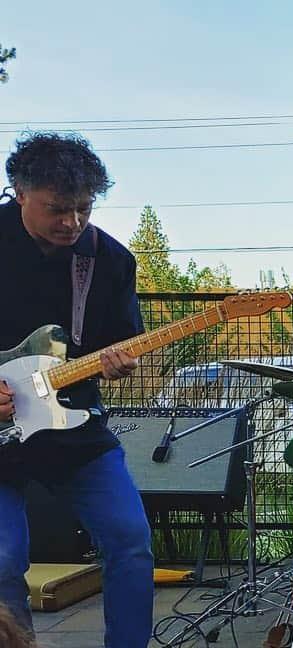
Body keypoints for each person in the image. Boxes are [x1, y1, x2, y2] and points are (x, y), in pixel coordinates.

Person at [0, 132, 153, 647]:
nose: (72, 222)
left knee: (130, 540)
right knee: (3, 557)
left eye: (83, 209)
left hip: (74, 424)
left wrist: (120, 365)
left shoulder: (108, 260)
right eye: (57, 209)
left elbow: (122, 343)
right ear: (20, 192)